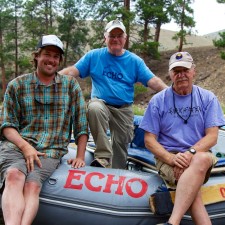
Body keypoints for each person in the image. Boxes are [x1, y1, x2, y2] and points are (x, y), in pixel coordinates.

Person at [0, 34, 88, 225]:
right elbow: (7, 126)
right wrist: (25, 147)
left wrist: (80, 156)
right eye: (47, 54)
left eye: (56, 57)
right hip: (17, 146)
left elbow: (81, 124)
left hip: (50, 150)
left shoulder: (70, 85)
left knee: (32, 185)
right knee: (14, 176)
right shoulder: (17, 85)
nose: (52, 60)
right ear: (37, 56)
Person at [59, 19, 167, 169]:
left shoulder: (135, 61)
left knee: (120, 147)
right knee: (94, 107)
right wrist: (52, 78)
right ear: (105, 38)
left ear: (125, 38)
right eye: (112, 36)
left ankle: (118, 172)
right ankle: (103, 156)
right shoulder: (94, 56)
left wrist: (172, 92)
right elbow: (73, 71)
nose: (115, 39)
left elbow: (153, 81)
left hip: (123, 109)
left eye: (119, 35)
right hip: (101, 104)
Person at [139, 51, 225, 225]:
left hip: (198, 154)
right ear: (170, 74)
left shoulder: (208, 98)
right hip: (168, 156)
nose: (181, 75)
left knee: (199, 159)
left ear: (193, 71)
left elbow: (212, 137)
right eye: (176, 71)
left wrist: (189, 153)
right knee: (193, 185)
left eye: (185, 70)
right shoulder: (158, 101)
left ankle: (173, 222)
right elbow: (149, 140)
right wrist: (172, 159)